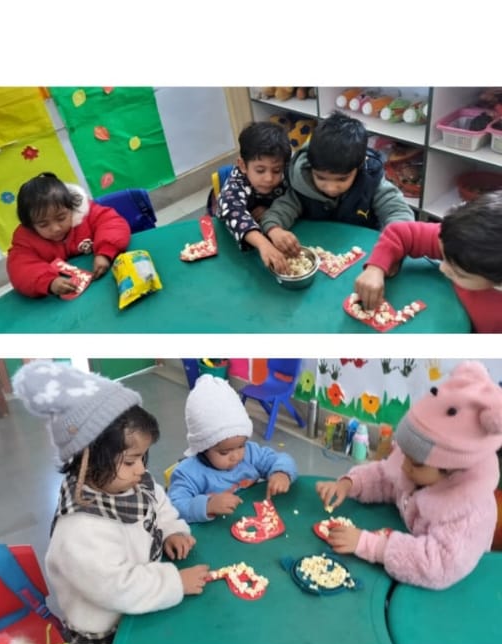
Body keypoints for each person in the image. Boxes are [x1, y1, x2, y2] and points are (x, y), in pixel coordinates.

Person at [12, 361, 208, 644]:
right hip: (109, 631)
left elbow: (158, 503)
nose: (141, 469)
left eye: (142, 457)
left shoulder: (130, 480)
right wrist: (176, 583)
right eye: (130, 461)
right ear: (88, 461)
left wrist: (171, 530)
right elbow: (118, 587)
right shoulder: (80, 529)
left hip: (145, 598)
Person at [315, 361, 502, 589]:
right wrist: (349, 483)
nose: (404, 467)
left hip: (454, 594)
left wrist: (369, 545)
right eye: (405, 456)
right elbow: (385, 476)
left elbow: (436, 565)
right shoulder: (415, 467)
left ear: (453, 471)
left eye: (415, 464)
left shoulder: (468, 513)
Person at [260, 111, 414, 252]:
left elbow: (398, 212)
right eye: (321, 177)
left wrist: (395, 238)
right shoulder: (302, 180)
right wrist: (275, 230)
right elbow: (281, 210)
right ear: (310, 167)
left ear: (359, 166)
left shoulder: (372, 181)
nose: (331, 188)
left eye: (342, 179)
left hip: (363, 249)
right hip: (316, 246)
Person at [354, 192, 502, 333]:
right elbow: (400, 233)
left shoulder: (481, 257)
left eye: (458, 273)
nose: (443, 268)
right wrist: (375, 268)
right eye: (444, 257)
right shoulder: (458, 240)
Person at [168, 375, 297, 523]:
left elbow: (281, 459)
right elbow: (174, 507)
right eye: (224, 452)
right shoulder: (189, 473)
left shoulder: (250, 453)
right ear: (203, 447)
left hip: (251, 521)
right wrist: (207, 506)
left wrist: (281, 473)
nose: (236, 456)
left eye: (241, 446)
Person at [6, 172, 131, 299]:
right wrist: (50, 282)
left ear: (72, 207)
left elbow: (112, 223)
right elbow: (20, 269)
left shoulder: (86, 213)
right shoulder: (26, 240)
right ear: (31, 225)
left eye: (61, 218)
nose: (55, 228)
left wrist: (105, 253)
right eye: (43, 224)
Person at [215, 121, 294, 274]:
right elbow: (233, 212)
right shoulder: (236, 183)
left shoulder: (286, 174)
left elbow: (294, 199)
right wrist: (263, 244)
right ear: (243, 166)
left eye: (276, 170)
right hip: (233, 247)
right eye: (260, 170)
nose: (269, 178)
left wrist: (271, 210)